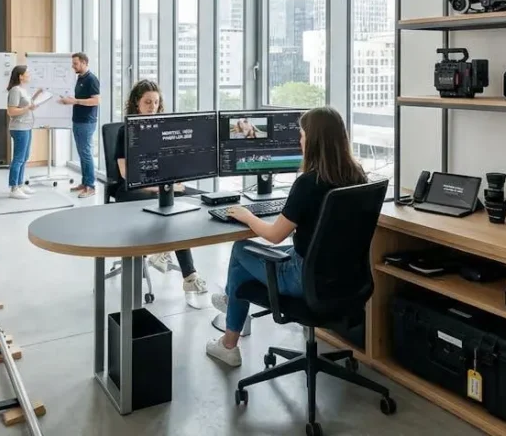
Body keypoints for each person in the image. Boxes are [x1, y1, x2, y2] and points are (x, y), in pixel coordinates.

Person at [205, 106, 367, 367]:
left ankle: (229, 339)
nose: (300, 140)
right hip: (347, 278)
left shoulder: (307, 183)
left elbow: (274, 235)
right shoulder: (358, 176)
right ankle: (231, 303)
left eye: (303, 135)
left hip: (304, 278)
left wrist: (247, 216)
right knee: (251, 261)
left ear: (314, 141)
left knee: (240, 250)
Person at [112, 80, 208, 299]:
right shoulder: (124, 131)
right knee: (165, 200)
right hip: (132, 187)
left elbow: (173, 162)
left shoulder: (163, 129)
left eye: (156, 102)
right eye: (147, 102)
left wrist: (174, 182)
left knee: (200, 198)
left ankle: (169, 257)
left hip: (162, 185)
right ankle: (185, 270)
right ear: (136, 103)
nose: (152, 107)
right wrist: (157, 187)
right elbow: (126, 173)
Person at [60, 52, 100, 199]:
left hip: (87, 122)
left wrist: (75, 101)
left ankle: (91, 186)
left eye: (75, 63)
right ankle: (84, 183)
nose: (73, 66)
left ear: (84, 63)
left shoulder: (91, 79)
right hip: (77, 120)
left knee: (86, 154)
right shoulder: (79, 78)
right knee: (82, 154)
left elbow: (96, 101)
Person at [5, 65, 44, 200]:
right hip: (19, 128)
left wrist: (36, 96)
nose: (29, 75)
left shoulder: (22, 89)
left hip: (26, 126)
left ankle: (20, 184)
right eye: (27, 73)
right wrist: (28, 107)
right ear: (20, 76)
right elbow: (11, 111)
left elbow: (26, 105)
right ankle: (13, 188)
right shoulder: (15, 90)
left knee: (25, 157)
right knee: (19, 158)